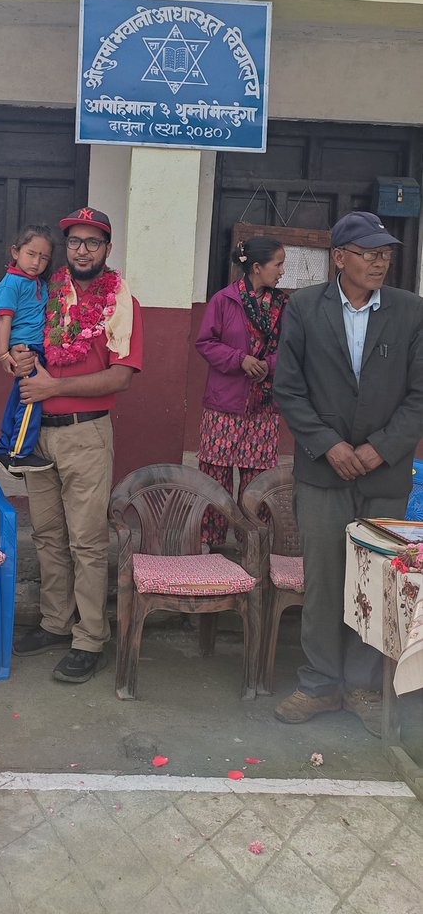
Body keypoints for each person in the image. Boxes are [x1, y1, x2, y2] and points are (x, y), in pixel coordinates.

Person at [273, 211, 423, 736]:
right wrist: (328, 444)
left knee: (375, 582)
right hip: (323, 470)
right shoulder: (305, 308)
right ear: (340, 258)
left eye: (385, 253)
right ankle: (319, 683)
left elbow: (419, 396)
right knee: (324, 581)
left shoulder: (411, 311)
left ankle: (362, 685)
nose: (381, 261)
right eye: (369, 252)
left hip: (384, 474)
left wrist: (380, 449)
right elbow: (288, 389)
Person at [12, 207, 143, 683]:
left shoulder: (121, 303)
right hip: (37, 431)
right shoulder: (44, 295)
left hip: (87, 433)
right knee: (47, 534)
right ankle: (55, 622)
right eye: (75, 242)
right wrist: (17, 360)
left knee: (87, 541)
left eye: (93, 242)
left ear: (107, 249)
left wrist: (55, 390)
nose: (82, 249)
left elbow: (121, 376)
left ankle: (90, 639)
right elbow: (20, 342)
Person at [195, 237, 287, 546]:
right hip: (224, 406)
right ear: (257, 267)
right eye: (278, 264)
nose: (282, 271)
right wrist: (240, 360)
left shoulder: (283, 305)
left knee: (256, 481)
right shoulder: (224, 300)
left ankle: (251, 546)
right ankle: (210, 542)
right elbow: (205, 343)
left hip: (263, 408)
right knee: (215, 476)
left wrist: (268, 364)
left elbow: (293, 347)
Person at [0, 224, 55, 474]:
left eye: (44, 257)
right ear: (16, 252)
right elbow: (5, 320)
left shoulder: (36, 282)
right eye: (31, 253)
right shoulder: (12, 284)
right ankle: (19, 454)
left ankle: (4, 448)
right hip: (25, 349)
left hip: (36, 347)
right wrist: (4, 353)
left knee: (19, 397)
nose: (37, 262)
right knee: (31, 399)